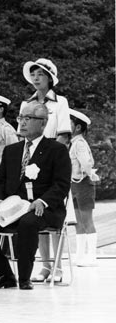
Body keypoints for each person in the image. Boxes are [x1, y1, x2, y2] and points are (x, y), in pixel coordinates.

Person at [0, 102, 71, 290]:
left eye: (28, 119)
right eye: (21, 118)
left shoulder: (57, 150)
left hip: (44, 209)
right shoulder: (12, 151)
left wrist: (42, 201)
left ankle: (25, 277)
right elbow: (0, 182)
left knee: (28, 222)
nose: (22, 123)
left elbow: (62, 184)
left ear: (43, 123)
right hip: (13, 209)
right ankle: (4, 274)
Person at [20, 58, 71, 283]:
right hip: (31, 162)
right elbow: (22, 134)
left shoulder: (60, 102)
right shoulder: (26, 104)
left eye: (40, 74)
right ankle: (45, 266)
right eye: (34, 74)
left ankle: (57, 266)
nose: (36, 78)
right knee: (35, 209)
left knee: (53, 207)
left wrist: (49, 155)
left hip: (53, 159)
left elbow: (63, 134)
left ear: (50, 77)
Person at [69, 109, 100, 267]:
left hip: (83, 183)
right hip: (74, 184)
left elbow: (86, 162)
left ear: (78, 128)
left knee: (87, 220)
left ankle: (92, 256)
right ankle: (80, 255)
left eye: (71, 123)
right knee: (78, 222)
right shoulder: (74, 142)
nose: (68, 125)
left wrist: (90, 174)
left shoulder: (79, 143)